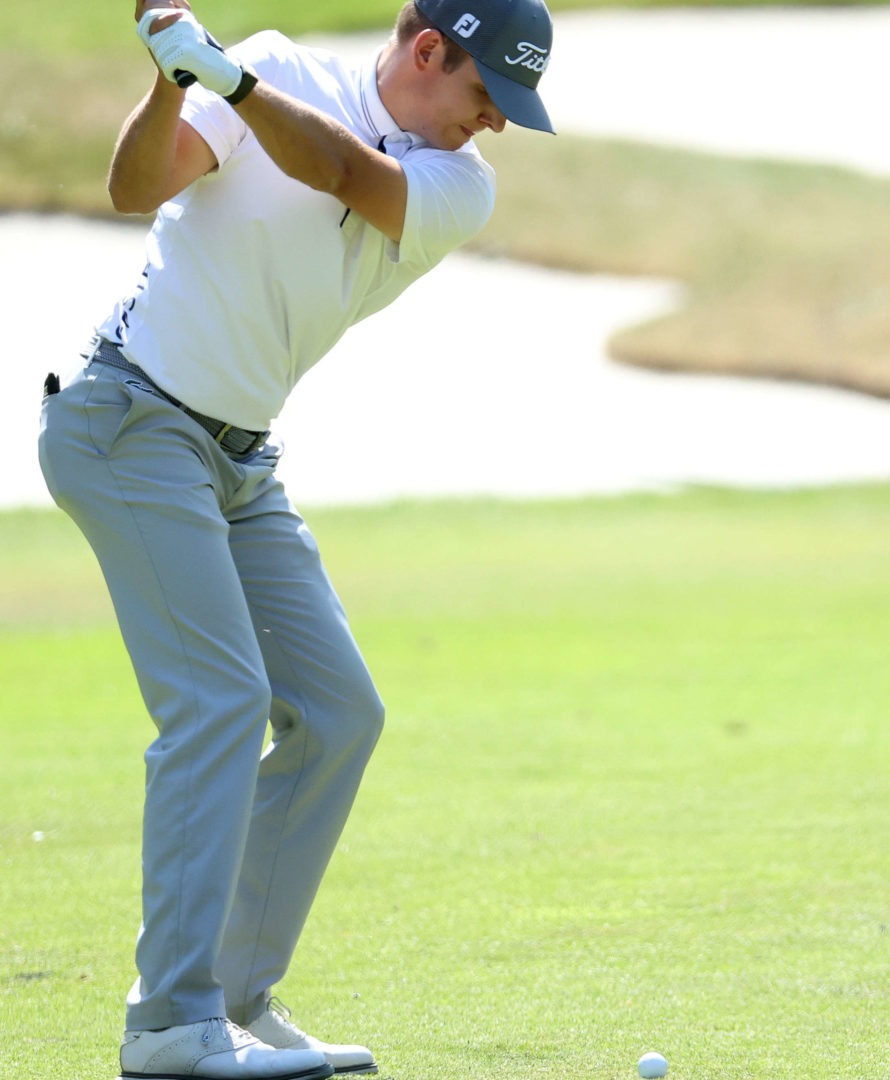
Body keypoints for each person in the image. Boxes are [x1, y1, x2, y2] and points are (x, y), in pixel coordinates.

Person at [38, 0, 554, 1076]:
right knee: (218, 701)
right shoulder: (274, 68)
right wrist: (173, 77)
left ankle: (228, 997)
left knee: (338, 712)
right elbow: (135, 189)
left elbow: (344, 177)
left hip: (238, 462)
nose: (495, 124)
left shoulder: (458, 184)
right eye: (486, 95)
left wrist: (223, 80)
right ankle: (171, 1026)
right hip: (129, 420)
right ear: (427, 50)